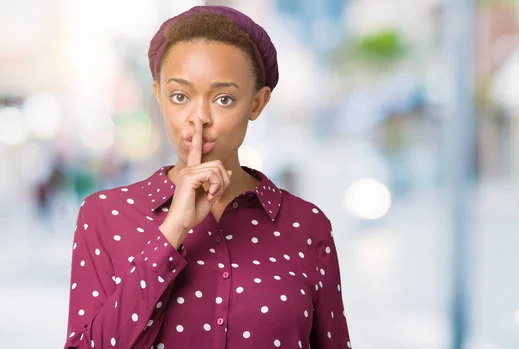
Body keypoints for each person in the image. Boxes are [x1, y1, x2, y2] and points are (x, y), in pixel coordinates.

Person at [64, 5, 352, 349]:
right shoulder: (104, 215)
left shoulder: (307, 226)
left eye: (224, 99)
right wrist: (173, 231)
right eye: (180, 96)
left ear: (258, 103)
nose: (198, 118)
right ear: (158, 95)